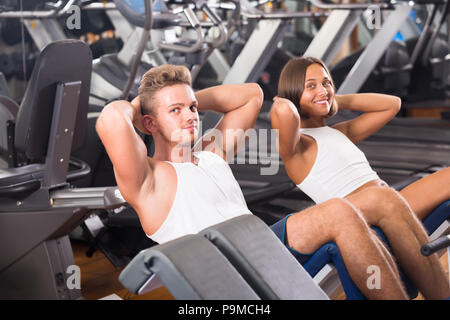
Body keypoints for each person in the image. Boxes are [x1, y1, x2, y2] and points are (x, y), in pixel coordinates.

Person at [97, 64, 417, 300]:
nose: (191, 115)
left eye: (192, 108)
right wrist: (143, 105)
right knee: (339, 213)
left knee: (343, 217)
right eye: (176, 111)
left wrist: (183, 98)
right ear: (149, 122)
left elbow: (251, 95)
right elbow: (112, 118)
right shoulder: (149, 181)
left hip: (265, 249)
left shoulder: (212, 152)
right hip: (230, 274)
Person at [270, 56, 450, 300]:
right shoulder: (298, 147)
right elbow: (282, 112)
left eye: (326, 83)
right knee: (383, 197)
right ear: (293, 93)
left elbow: (392, 105)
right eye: (310, 85)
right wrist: (289, 101)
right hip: (358, 218)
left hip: (390, 202)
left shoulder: (339, 132)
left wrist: (332, 99)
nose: (322, 89)